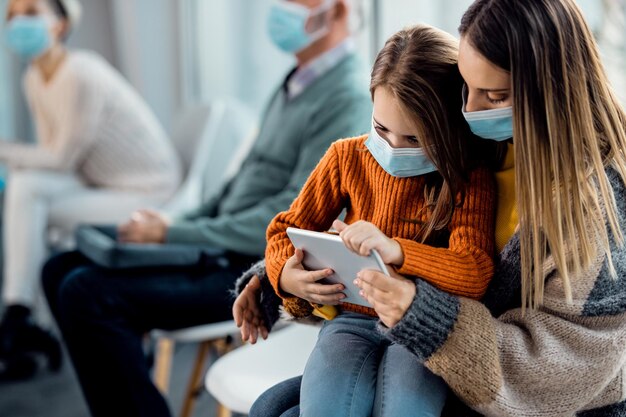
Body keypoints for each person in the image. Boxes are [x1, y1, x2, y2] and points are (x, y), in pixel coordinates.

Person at [235, 0, 626, 415]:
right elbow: (393, 230)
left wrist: (424, 315)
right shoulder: (484, 145)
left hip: (524, 394)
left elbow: (564, 369)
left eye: (494, 95)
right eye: (465, 89)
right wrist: (280, 274)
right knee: (272, 406)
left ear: (551, 90)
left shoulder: (596, 203)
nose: (469, 112)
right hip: (435, 349)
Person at [42, 0, 372, 416]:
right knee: (58, 268)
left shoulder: (346, 94)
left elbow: (292, 216)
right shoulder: (298, 80)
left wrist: (173, 235)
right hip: (215, 246)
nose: (278, 8)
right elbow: (239, 184)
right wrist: (174, 222)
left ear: (338, 10)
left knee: (86, 293)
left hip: (248, 265)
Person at [262, 23, 501, 417]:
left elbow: (474, 271)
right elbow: (281, 233)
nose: (391, 148)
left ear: (449, 130)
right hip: (350, 322)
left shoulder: (466, 175)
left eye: (413, 140)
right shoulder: (346, 157)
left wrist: (396, 251)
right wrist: (286, 279)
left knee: (407, 408)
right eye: (381, 128)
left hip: (421, 328)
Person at [0, 0, 181, 380]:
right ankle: (25, 317)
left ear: (61, 24)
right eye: (12, 15)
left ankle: (23, 317)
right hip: (100, 182)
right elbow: (49, 158)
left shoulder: (81, 73)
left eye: (31, 12)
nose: (18, 22)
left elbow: (60, 157)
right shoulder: (33, 78)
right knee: (27, 190)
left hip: (147, 191)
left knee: (30, 199)